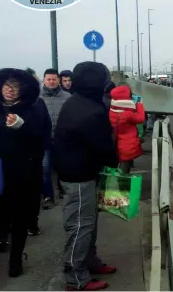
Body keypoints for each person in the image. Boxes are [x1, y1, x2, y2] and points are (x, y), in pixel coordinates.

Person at [52, 61, 119, 291]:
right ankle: (75, 278)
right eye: (103, 78)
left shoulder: (79, 101)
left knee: (88, 223)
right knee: (80, 225)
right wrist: (114, 160)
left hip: (82, 171)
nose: (106, 82)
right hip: (78, 176)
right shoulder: (89, 109)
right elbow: (102, 145)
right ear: (95, 81)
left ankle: (90, 261)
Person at [0, 68, 51, 289]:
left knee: (20, 218)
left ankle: (15, 261)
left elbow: (42, 140)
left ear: (24, 88)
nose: (10, 90)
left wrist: (21, 128)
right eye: (5, 85)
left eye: (15, 86)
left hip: (23, 173)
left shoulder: (34, 108)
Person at [38, 68, 71, 213]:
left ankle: (63, 191)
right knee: (44, 169)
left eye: (54, 79)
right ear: (44, 80)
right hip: (43, 140)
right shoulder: (36, 97)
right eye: (48, 79)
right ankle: (48, 196)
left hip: (62, 139)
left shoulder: (67, 96)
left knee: (62, 167)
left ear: (58, 80)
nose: (51, 82)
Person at [109, 84, 146, 174]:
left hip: (118, 142)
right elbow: (141, 118)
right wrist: (139, 104)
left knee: (120, 166)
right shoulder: (127, 114)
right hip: (128, 144)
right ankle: (123, 186)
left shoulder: (112, 111)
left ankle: (120, 184)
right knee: (124, 170)